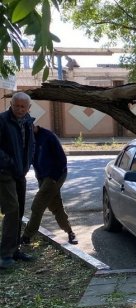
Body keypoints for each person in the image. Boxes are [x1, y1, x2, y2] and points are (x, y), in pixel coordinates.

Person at [21, 126, 77, 245]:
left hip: (54, 176)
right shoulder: (28, 139)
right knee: (55, 206)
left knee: (37, 206)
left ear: (32, 125)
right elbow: (28, 160)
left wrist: (53, 178)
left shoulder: (48, 136)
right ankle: (70, 232)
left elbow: (62, 159)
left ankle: (26, 237)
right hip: (42, 177)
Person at [0, 92, 35, 269]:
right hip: (4, 173)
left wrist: (26, 164)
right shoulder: (2, 120)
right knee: (12, 209)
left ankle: (15, 250)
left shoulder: (28, 121)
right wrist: (10, 163)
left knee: (20, 210)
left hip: (21, 172)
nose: (19, 109)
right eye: (16, 106)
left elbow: (31, 145)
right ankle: (5, 255)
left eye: (23, 107)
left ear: (29, 108)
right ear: (11, 104)